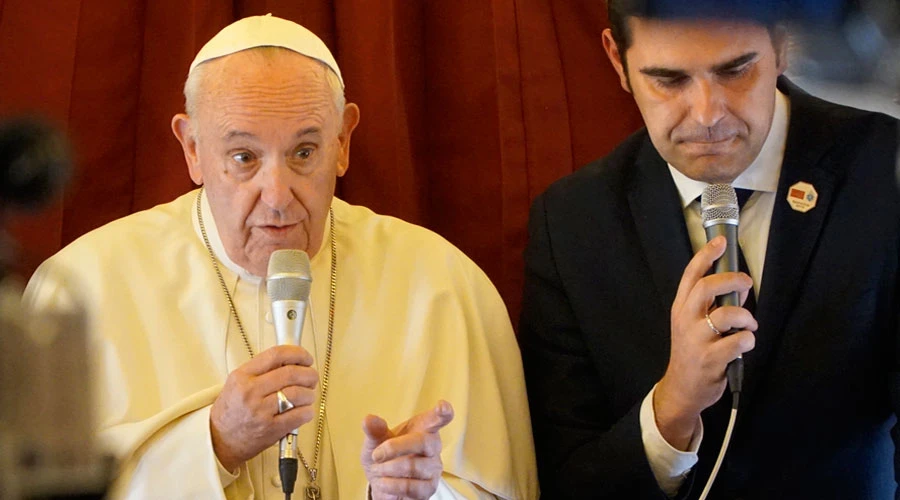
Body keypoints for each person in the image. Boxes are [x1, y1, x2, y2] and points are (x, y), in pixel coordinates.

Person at [24, 15, 537, 500]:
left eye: (304, 153)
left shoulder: (441, 283)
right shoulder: (83, 286)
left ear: (343, 142)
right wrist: (214, 444)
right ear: (192, 149)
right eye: (244, 157)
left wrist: (414, 492)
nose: (276, 194)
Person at [519, 2, 900, 499]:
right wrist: (672, 408)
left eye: (736, 70)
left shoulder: (883, 170)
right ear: (618, 62)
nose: (707, 115)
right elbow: (565, 478)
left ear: (783, 45)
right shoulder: (571, 222)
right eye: (668, 80)